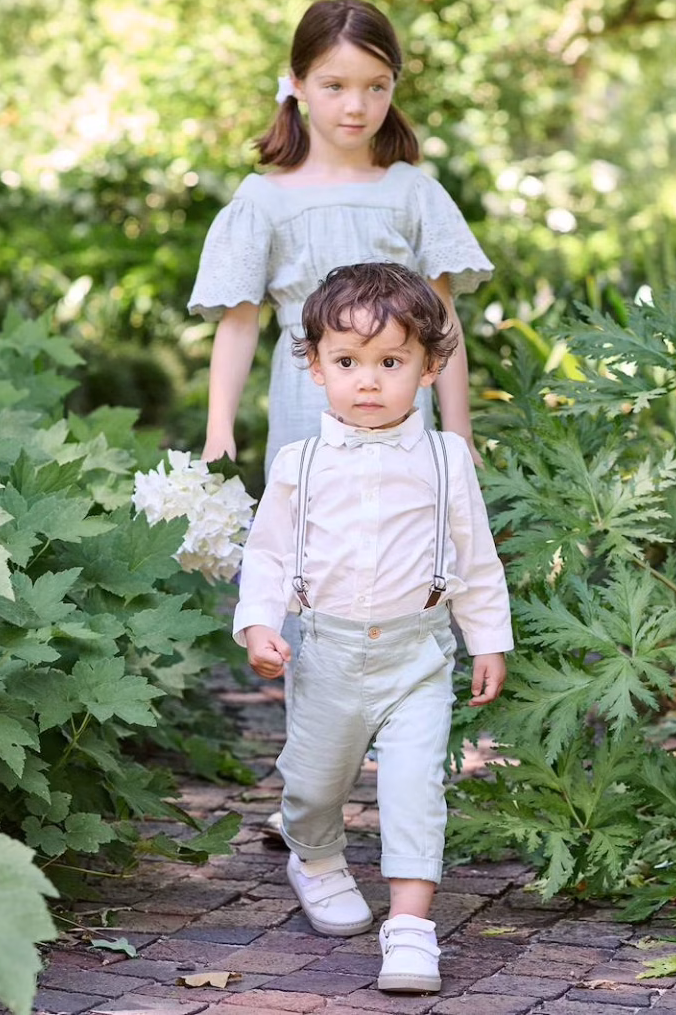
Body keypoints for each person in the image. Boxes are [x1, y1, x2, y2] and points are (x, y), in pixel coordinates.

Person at [232, 262, 513, 994]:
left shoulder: (448, 459)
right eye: (347, 362)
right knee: (314, 783)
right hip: (327, 651)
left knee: (415, 784)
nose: (369, 380)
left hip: (419, 654)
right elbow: (266, 554)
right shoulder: (301, 461)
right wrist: (260, 623)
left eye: (391, 362)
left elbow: (474, 557)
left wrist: (487, 639)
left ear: (429, 368)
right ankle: (316, 857)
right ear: (315, 368)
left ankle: (412, 927)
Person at [187, 0, 493, 473]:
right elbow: (239, 323)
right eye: (334, 86)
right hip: (306, 410)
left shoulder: (413, 193)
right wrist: (218, 433)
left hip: (404, 416)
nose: (357, 106)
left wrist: (459, 435)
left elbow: (443, 319)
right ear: (298, 84)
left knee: (406, 536)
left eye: (376, 86)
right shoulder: (263, 202)